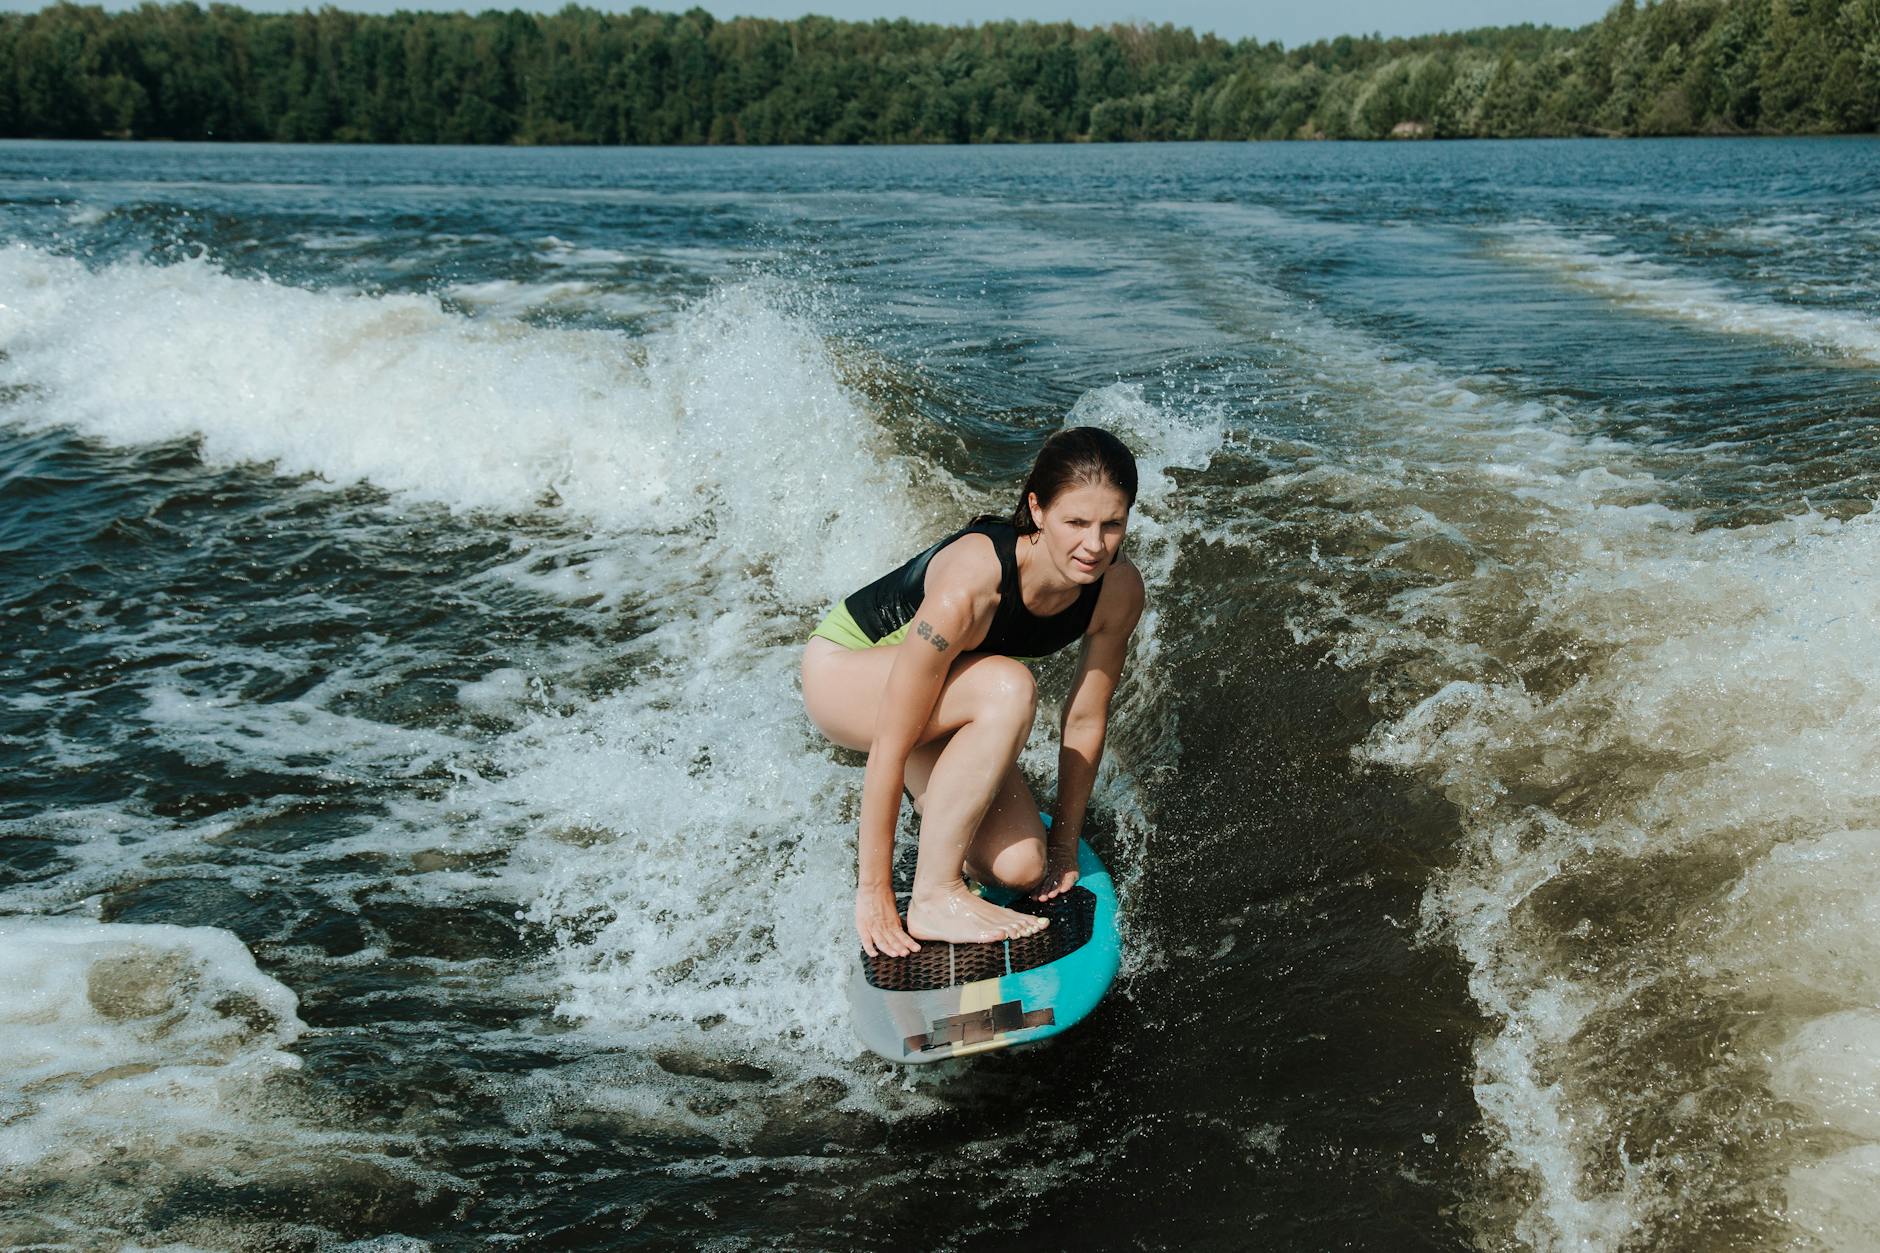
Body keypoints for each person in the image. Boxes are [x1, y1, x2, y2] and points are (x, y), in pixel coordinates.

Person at [801, 426, 1145, 959]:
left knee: (1021, 867)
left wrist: (1064, 844)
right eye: (1075, 522)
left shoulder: (1117, 589)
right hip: (845, 676)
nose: (1094, 545)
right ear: (1036, 509)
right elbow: (891, 740)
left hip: (940, 694)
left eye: (1112, 524)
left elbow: (1084, 720)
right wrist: (874, 892)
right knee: (1008, 686)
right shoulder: (972, 585)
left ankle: (942, 826)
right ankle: (934, 895)